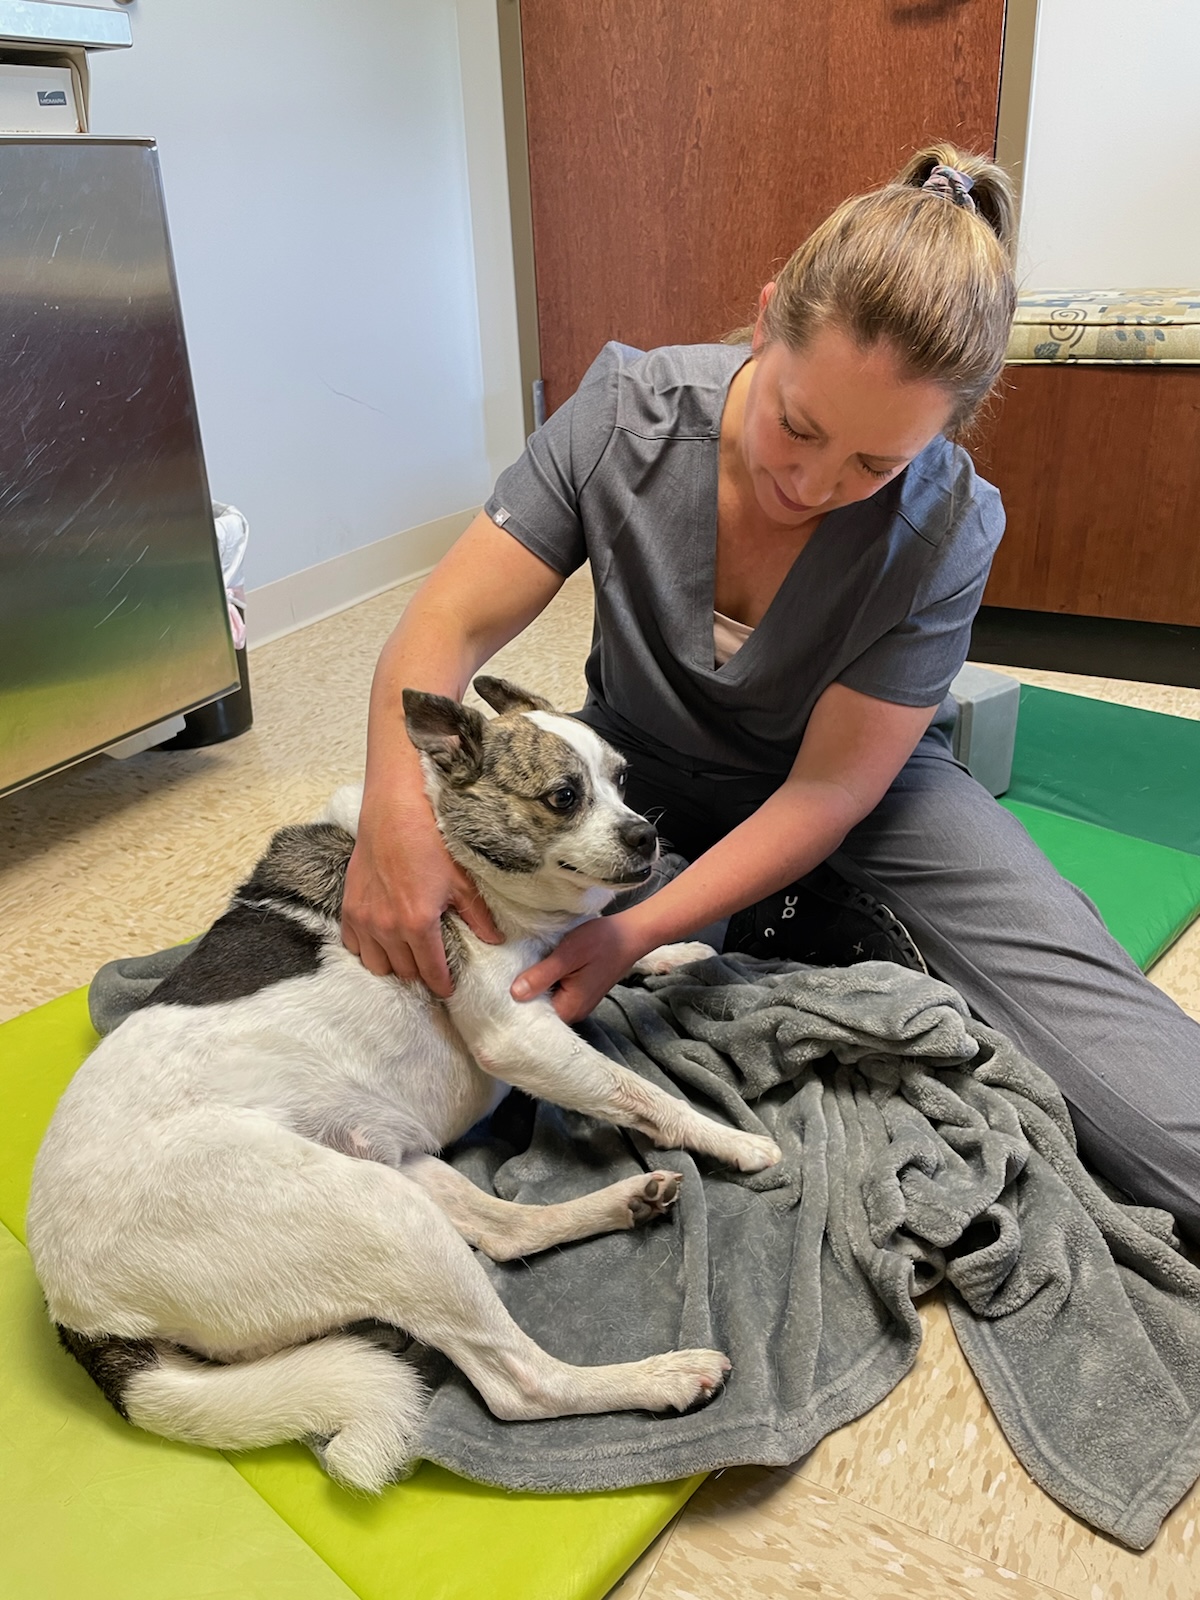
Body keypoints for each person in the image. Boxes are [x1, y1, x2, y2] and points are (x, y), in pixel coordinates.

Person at [342, 145, 1200, 1240]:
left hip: (865, 796)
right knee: (403, 954)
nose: (811, 484)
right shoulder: (622, 415)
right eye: (797, 426)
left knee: (1111, 1047)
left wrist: (637, 932)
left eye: (873, 467)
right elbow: (446, 627)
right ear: (763, 323)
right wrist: (394, 813)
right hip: (639, 768)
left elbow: (828, 794)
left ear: (938, 440)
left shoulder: (949, 524)